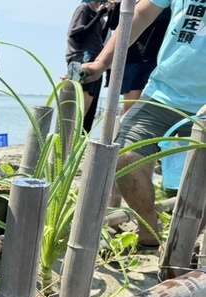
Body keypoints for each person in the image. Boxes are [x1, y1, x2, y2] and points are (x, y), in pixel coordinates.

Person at [82, 0, 206, 250]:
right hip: (162, 93)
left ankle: (184, 243)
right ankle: (149, 231)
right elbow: (140, 13)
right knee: (126, 158)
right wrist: (101, 63)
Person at [105, 1, 171, 113]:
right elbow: (114, 23)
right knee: (129, 107)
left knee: (152, 105)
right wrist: (118, 4)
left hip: (156, 60)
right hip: (132, 59)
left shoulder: (166, 5)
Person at [65, 0, 114, 130]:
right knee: (79, 105)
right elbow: (76, 35)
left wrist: (105, 16)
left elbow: (102, 40)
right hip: (80, 58)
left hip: (94, 61)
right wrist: (98, 15)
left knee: (89, 106)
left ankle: (80, 140)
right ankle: (68, 139)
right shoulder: (84, 8)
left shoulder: (100, 19)